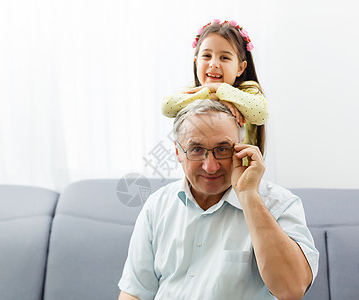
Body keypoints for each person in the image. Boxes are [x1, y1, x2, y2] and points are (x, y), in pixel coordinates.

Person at [118, 99, 318, 300]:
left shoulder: (279, 203)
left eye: (222, 149)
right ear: (178, 152)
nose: (210, 166)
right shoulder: (157, 205)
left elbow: (292, 290)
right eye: (196, 150)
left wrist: (248, 195)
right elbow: (135, 293)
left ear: (240, 149)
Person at [161, 19, 269, 154]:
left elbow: (261, 114)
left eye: (224, 58)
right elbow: (166, 107)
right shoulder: (195, 90)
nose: (213, 64)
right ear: (196, 62)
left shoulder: (247, 91)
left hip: (239, 171)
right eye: (206, 56)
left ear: (240, 68)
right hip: (202, 167)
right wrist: (212, 96)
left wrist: (218, 89)